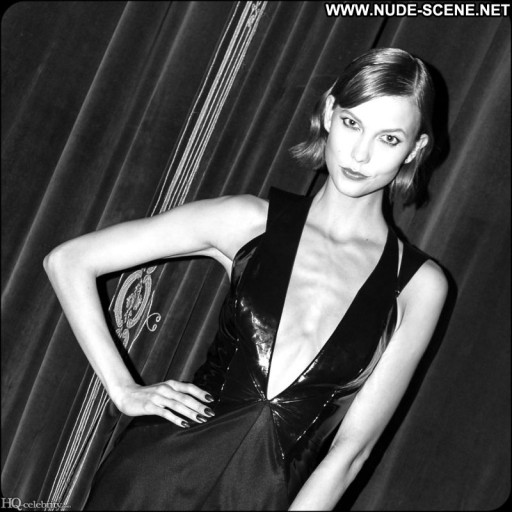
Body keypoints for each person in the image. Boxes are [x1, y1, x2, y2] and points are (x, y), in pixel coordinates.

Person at [44, 47, 448, 510]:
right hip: (155, 475)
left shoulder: (419, 286)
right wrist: (124, 389)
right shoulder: (248, 221)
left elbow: (350, 454)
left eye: (389, 138)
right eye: (352, 123)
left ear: (415, 149)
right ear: (329, 113)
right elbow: (68, 261)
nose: (360, 153)